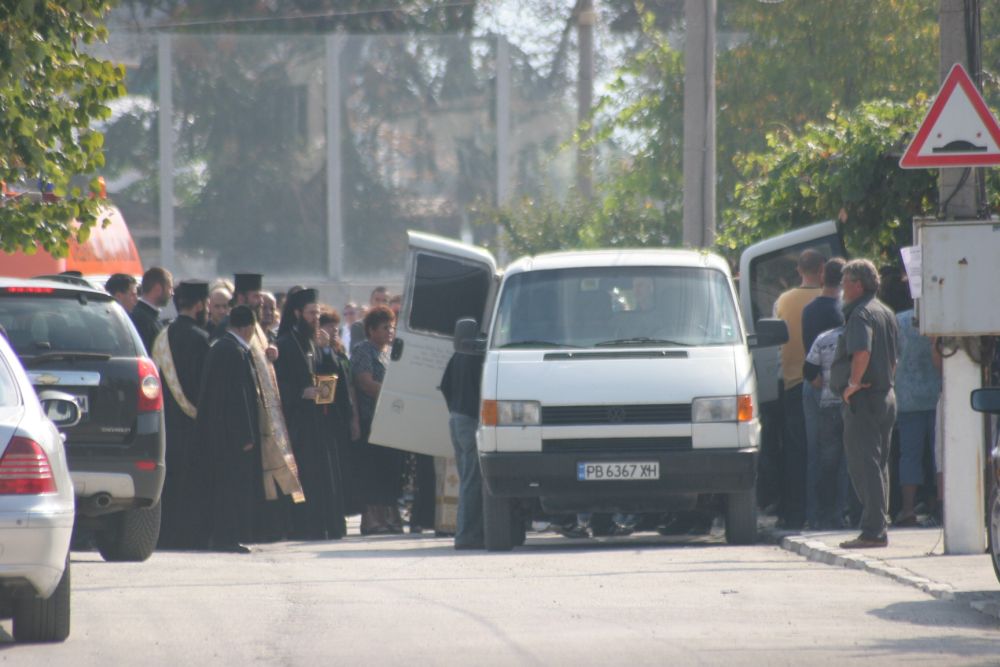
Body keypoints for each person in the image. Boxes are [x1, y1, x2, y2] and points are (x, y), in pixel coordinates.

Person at [831, 259, 899, 549]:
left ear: (858, 285)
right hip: (886, 396)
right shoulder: (885, 312)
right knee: (879, 463)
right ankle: (878, 524)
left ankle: (873, 530)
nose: (842, 290)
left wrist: (852, 385)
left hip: (865, 400)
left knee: (864, 464)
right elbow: (894, 359)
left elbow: (862, 350)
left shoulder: (860, 314)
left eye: (845, 283)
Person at [274, 289, 345, 540]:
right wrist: (299, 393)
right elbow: (275, 384)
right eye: (311, 313)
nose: (316, 318)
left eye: (318, 312)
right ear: (297, 313)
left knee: (322, 477)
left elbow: (332, 378)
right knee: (306, 477)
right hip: (298, 424)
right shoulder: (283, 344)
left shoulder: (314, 343)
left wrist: (327, 352)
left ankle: (325, 525)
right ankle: (304, 526)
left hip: (318, 421)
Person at [195, 305, 261, 553]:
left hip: (220, 434)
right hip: (232, 437)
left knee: (224, 486)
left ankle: (224, 535)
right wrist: (245, 435)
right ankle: (226, 537)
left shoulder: (222, 347)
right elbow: (237, 398)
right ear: (248, 328)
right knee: (230, 487)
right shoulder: (232, 351)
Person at [151, 280, 211, 549]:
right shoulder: (201, 338)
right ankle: (192, 536)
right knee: (193, 484)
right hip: (195, 425)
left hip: (167, 424)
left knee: (171, 484)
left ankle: (166, 535)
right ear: (199, 305)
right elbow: (205, 387)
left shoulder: (162, 336)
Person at [773, 249, 824, 529]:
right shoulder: (830, 299)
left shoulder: (783, 300)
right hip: (826, 384)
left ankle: (795, 512)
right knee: (825, 449)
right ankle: (821, 509)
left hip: (793, 383)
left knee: (795, 451)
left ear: (798, 271)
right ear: (822, 270)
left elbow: (777, 344)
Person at [800, 257, 845, 528]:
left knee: (814, 453)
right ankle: (836, 514)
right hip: (838, 389)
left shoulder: (809, 310)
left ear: (821, 277)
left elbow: (809, 352)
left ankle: (813, 515)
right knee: (840, 455)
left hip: (813, 385)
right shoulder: (845, 312)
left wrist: (817, 379)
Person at [351, 304, 404, 535]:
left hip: (390, 420)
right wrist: (393, 393)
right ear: (371, 330)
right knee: (372, 471)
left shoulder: (389, 351)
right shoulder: (365, 349)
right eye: (384, 328)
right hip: (370, 420)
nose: (389, 332)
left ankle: (389, 515)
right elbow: (365, 382)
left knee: (389, 470)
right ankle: (372, 519)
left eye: (391, 328)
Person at [894, 300, 942, 526]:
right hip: (938, 395)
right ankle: (939, 505)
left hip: (908, 397)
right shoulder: (941, 318)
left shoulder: (899, 321)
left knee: (910, 455)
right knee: (938, 456)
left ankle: (907, 508)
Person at [317, 308, 362, 519]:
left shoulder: (340, 351)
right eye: (328, 324)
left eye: (335, 324)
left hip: (344, 412)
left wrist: (354, 417)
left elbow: (350, 384)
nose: (334, 329)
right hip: (328, 414)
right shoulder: (319, 351)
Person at [440, 348, 485, 549]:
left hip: (456, 419)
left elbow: (444, 386)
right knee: (473, 480)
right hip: (472, 420)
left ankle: (467, 532)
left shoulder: (458, 353)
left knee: (467, 479)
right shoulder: (482, 355)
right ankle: (467, 535)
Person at [804, 324, 847, 528]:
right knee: (850, 464)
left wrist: (821, 384)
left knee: (828, 463)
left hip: (828, 406)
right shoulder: (861, 334)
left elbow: (809, 370)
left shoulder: (823, 339)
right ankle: (846, 514)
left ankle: (825, 515)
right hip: (853, 408)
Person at [131, 267, 174, 355]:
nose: (172, 293)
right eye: (170, 288)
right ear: (158, 289)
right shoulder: (142, 319)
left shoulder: (147, 316)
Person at [351, 287, 389, 355]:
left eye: (384, 301)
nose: (380, 303)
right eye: (377, 300)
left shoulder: (392, 328)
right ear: (371, 301)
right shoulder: (358, 326)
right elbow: (357, 350)